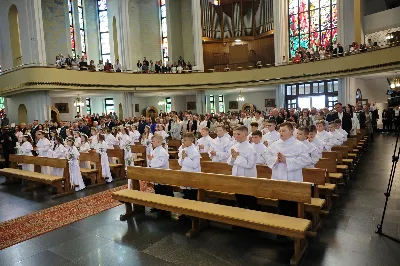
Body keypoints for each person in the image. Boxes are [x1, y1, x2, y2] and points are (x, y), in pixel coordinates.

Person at [228, 125, 258, 211]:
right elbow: (229, 162)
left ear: (245, 134)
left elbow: (250, 165)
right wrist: (233, 158)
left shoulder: (251, 148)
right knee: (240, 201)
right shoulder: (234, 146)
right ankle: (240, 220)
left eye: (238, 134)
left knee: (250, 201)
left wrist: (237, 157)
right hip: (237, 177)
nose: (236, 136)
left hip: (248, 178)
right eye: (235, 134)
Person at [147, 134, 173, 216]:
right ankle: (158, 205)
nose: (152, 143)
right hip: (157, 174)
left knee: (163, 190)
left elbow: (160, 163)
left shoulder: (162, 151)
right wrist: (152, 160)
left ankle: (165, 207)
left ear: (158, 141)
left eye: (153, 141)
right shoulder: (155, 150)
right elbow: (153, 160)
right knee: (157, 189)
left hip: (163, 174)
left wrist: (152, 160)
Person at [178, 132, 201, 201]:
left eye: (185, 140)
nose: (183, 142)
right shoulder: (184, 150)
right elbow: (180, 163)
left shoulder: (195, 151)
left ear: (191, 140)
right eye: (183, 140)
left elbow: (195, 165)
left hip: (192, 175)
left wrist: (185, 158)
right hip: (185, 173)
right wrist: (182, 158)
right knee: (186, 194)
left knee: (192, 195)